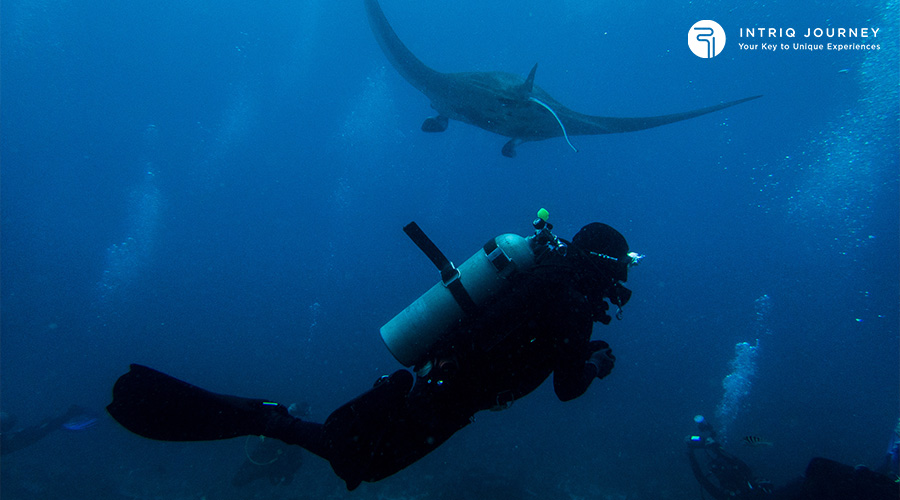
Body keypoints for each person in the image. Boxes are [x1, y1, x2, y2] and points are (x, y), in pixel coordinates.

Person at [107, 212, 639, 490]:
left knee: (361, 457)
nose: (624, 279)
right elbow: (568, 388)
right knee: (362, 461)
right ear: (604, 264)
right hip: (453, 394)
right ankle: (269, 420)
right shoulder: (571, 304)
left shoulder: (548, 276)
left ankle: (290, 418)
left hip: (441, 374)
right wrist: (595, 361)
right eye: (623, 267)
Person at [686, 415, 898, 500]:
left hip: (784, 494)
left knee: (822, 474)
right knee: (819, 470)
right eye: (716, 470)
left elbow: (735, 462)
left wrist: (712, 446)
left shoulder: (741, 473)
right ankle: (882, 475)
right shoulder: (724, 495)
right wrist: (690, 453)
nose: (720, 470)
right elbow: (701, 478)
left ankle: (881, 469)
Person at [1, 405, 97, 456]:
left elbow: (36, 433)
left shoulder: (8, 442)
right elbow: (37, 433)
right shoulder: (10, 441)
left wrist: (63, 418)